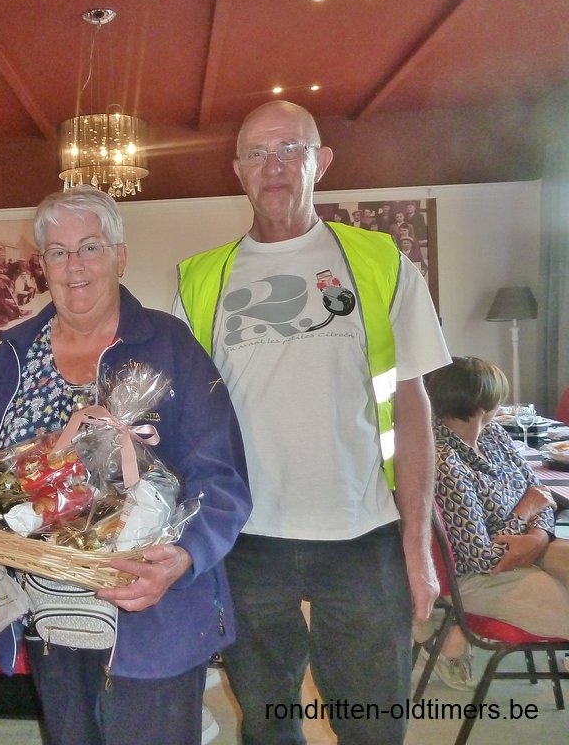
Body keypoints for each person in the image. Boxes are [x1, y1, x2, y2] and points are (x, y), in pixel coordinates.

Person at [174, 100, 451, 744]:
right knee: (267, 726)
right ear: (238, 170)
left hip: (363, 534)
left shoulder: (381, 262)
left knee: (374, 727)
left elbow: (413, 406)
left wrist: (417, 547)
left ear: (321, 162)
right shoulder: (197, 280)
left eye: (290, 150)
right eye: (257, 153)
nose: (273, 166)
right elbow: (186, 419)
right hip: (245, 538)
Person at [0, 186, 251, 745]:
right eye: (58, 251)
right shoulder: (12, 357)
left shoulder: (170, 346)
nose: (75, 266)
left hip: (151, 614)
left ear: (121, 256)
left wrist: (184, 557)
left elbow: (223, 476)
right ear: (42, 265)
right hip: (48, 621)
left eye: (90, 247)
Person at [426, 356, 569, 689]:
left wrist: (539, 535)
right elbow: (482, 559)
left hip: (527, 550)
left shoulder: (493, 435)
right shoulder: (444, 461)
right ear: (482, 407)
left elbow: (538, 492)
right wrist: (524, 515)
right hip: (481, 577)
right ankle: (442, 632)